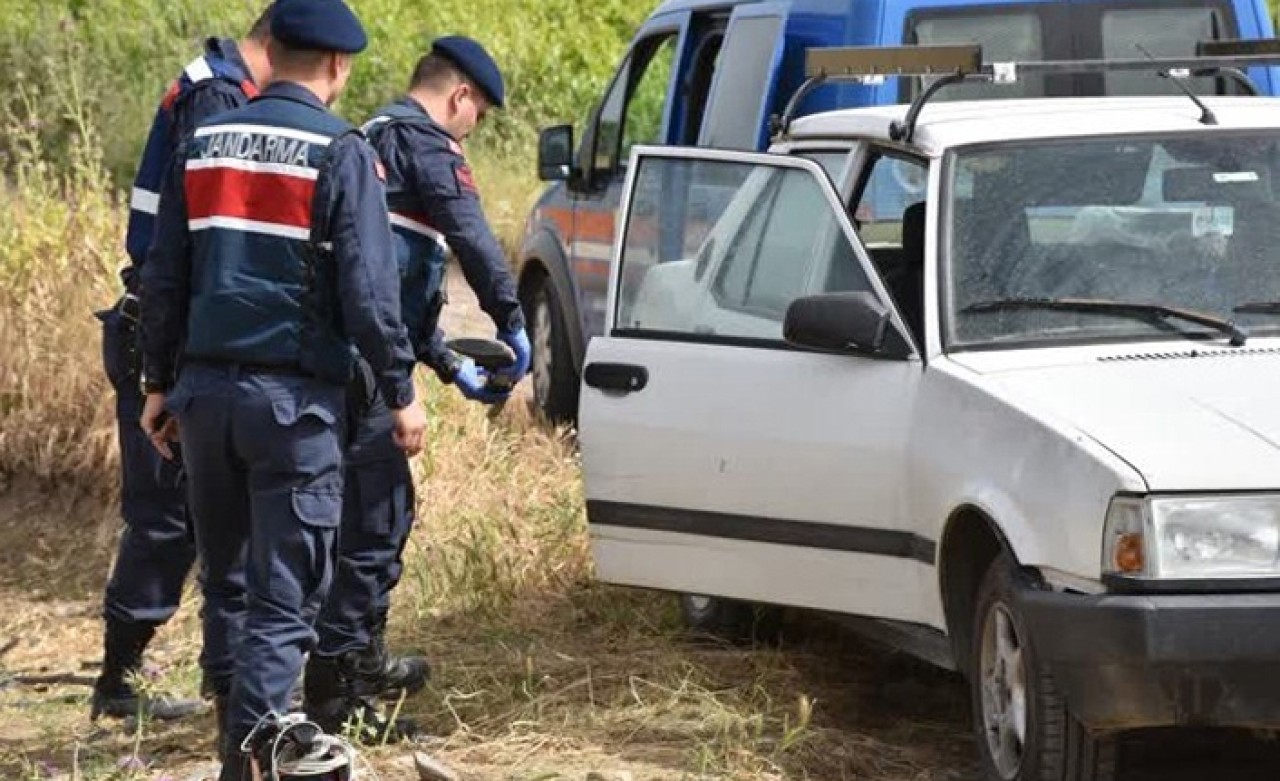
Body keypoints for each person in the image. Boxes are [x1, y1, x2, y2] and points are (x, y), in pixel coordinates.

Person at [138, 0, 427, 776]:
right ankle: (253, 765)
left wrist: (155, 382)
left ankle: (238, 753)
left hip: (202, 400)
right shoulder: (341, 151)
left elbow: (165, 272)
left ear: (273, 51)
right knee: (282, 599)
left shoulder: (203, 138)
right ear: (337, 67)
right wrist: (401, 392)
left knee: (228, 587)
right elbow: (369, 291)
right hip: (293, 409)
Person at [303, 35, 530, 738]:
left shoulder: (368, 136)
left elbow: (388, 284)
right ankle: (339, 702)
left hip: (344, 360)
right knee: (375, 524)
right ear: (460, 96)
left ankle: (358, 661)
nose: (473, 130)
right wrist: (513, 321)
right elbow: (471, 238)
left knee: (358, 522)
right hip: (365, 374)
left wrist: (443, 359)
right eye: (479, 115)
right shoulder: (426, 145)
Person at [93, 4, 275, 723]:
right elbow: (204, 234)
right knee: (169, 516)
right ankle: (117, 682)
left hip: (171, 327)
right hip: (162, 335)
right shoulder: (219, 97)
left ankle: (217, 676)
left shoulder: (214, 80)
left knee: (202, 516)